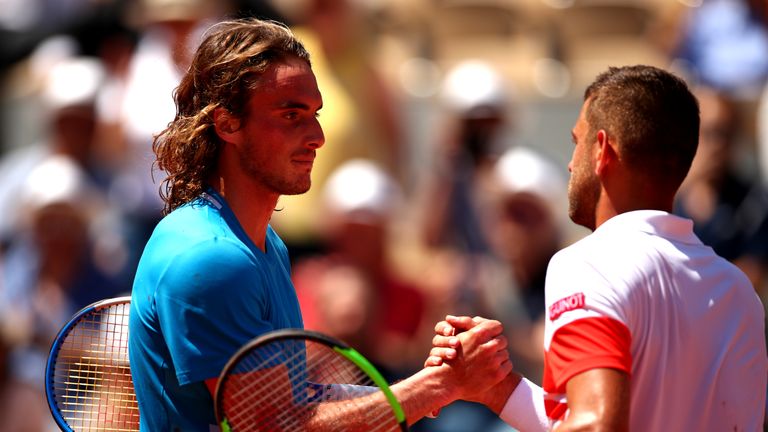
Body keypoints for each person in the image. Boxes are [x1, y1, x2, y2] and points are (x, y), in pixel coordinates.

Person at [128, 17, 511, 432]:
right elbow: (276, 425)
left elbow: (290, 399)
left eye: (314, 114)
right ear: (227, 124)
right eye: (291, 115)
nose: (317, 136)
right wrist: (436, 387)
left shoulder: (263, 245)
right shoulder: (211, 259)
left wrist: (429, 386)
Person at [428, 65, 768, 431]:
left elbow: (595, 426)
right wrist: (500, 391)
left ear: (602, 150)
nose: (571, 164)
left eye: (578, 143)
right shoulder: (740, 293)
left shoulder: (589, 265)